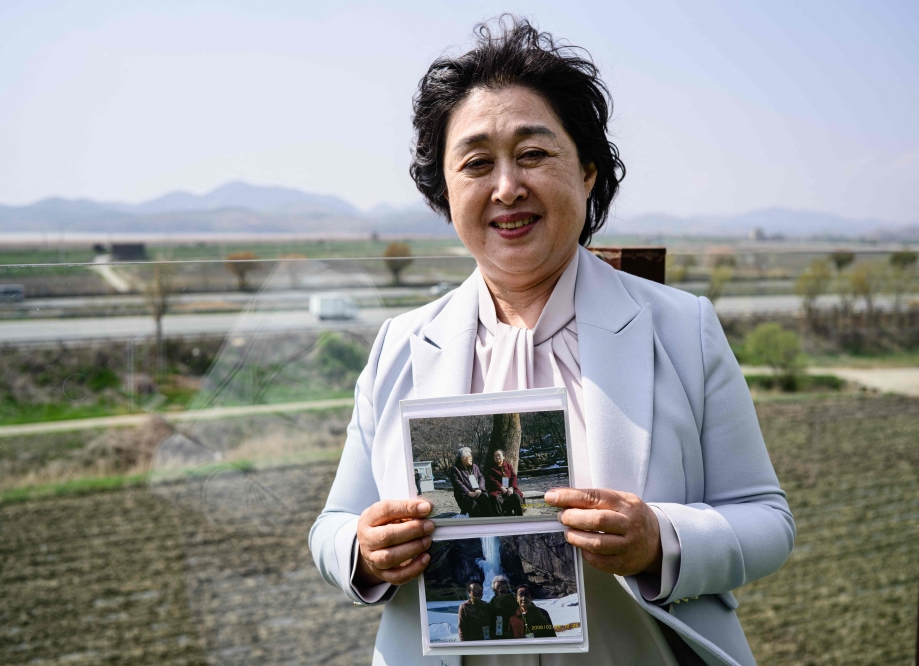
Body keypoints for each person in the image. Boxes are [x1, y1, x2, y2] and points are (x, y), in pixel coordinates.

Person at [310, 15, 794, 666]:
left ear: (589, 171)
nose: (507, 186)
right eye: (477, 163)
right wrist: (363, 552)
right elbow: (332, 525)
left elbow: (765, 518)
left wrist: (661, 539)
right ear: (445, 194)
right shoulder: (400, 344)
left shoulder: (682, 328)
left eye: (533, 153)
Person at [448, 446, 496, 517]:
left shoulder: (475, 467)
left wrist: (480, 489)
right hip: (464, 495)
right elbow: (457, 483)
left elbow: (481, 477)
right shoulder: (455, 469)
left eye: (471, 456)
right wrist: (468, 493)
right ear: (463, 458)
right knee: (474, 505)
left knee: (485, 501)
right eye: (469, 456)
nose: (471, 458)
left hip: (477, 492)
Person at [485, 449, 524, 516]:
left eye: (499, 455)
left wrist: (511, 488)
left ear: (504, 457)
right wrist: (501, 487)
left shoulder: (508, 466)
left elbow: (513, 477)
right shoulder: (491, 469)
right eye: (495, 456)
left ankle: (519, 516)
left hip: (509, 489)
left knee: (516, 496)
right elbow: (491, 480)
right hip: (498, 490)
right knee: (496, 498)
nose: (497, 457)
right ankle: (501, 518)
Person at [488, 575, 520, 639]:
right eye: (498, 587)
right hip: (497, 637)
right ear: (494, 589)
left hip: (514, 635)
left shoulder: (516, 601)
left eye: (503, 586)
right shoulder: (491, 603)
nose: (500, 589)